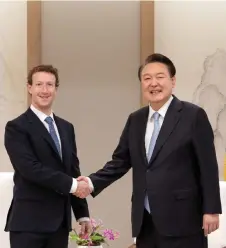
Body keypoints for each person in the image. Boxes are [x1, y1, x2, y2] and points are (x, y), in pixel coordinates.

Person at [76, 53, 222, 248]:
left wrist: (211, 210)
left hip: (183, 219)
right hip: (145, 221)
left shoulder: (193, 115)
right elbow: (120, 161)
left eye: (160, 77)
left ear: (173, 81)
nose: (153, 83)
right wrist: (91, 182)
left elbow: (208, 166)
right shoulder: (136, 120)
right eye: (147, 78)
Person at [4, 65, 91, 248]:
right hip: (28, 225)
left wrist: (82, 214)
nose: (44, 90)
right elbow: (30, 168)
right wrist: (74, 185)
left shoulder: (67, 128)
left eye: (50, 85)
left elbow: (73, 170)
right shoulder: (16, 127)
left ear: (56, 89)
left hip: (59, 225)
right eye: (39, 85)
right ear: (29, 88)